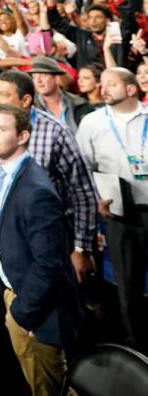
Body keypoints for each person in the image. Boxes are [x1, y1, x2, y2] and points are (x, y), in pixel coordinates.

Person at [0, 104, 79, 396]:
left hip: (36, 311)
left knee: (47, 388)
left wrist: (23, 313)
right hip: (17, 293)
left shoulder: (35, 190)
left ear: (23, 135)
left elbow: (49, 264)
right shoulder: (5, 175)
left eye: (1, 129)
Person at [0, 70, 97, 282]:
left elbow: (82, 192)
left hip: (46, 232)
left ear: (26, 99)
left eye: (4, 94)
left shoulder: (56, 131)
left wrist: (81, 248)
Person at [76, 68, 148, 351]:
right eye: (102, 83)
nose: (103, 88)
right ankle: (137, 348)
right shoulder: (92, 123)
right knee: (127, 288)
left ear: (131, 89)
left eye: (111, 83)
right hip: (119, 216)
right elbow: (83, 170)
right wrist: (96, 198)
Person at [28, 56, 95, 134]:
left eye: (43, 76)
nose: (38, 81)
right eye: (34, 77)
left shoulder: (79, 104)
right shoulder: (30, 108)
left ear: (57, 79)